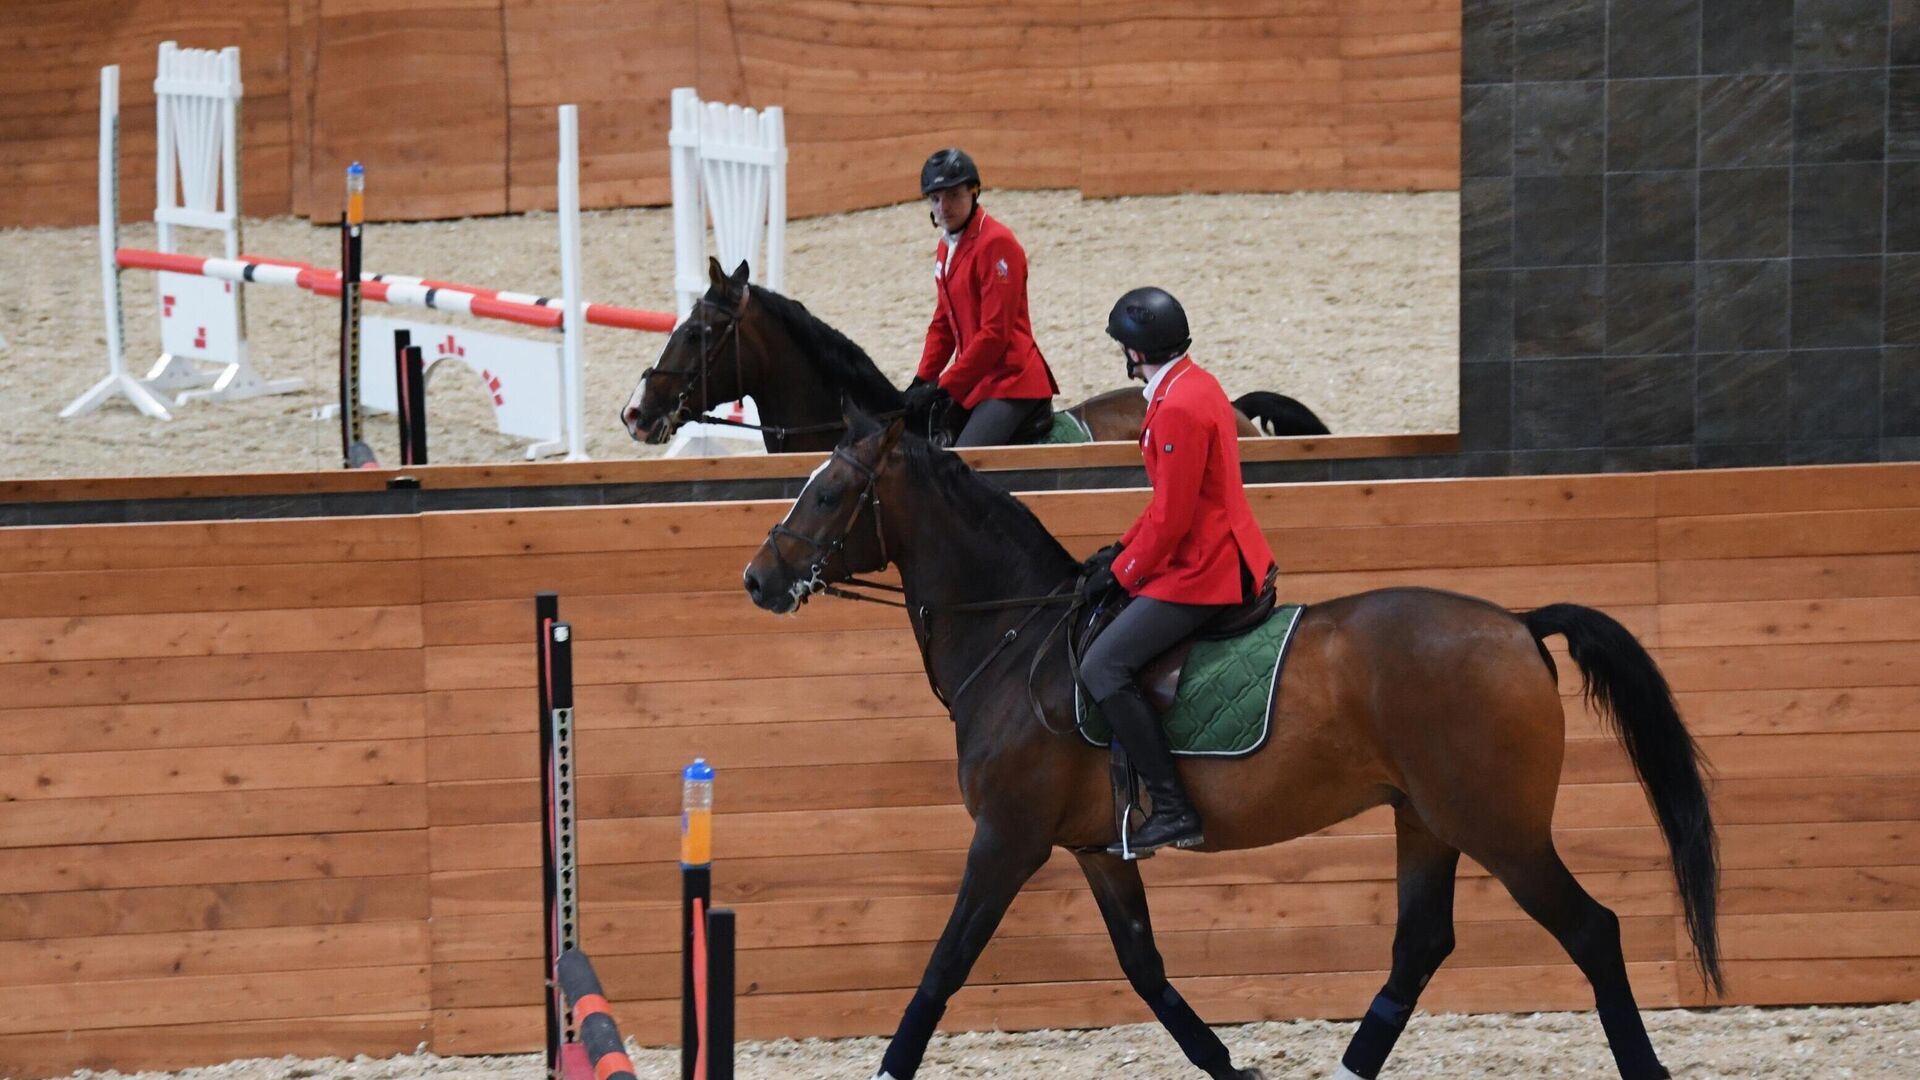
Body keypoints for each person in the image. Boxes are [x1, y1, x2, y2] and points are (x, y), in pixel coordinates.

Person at [1079, 286, 1278, 856]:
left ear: (1136, 352)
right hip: (1212, 547)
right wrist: (1119, 553)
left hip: (1210, 567)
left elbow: (1173, 518)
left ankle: (1173, 808)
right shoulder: (1195, 383)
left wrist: (1123, 574)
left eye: (1124, 346)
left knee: (1104, 664)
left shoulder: (1179, 407)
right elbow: (1167, 503)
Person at [901, 148, 1057, 446]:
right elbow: (943, 324)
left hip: (1010, 381)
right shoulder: (947, 246)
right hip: (976, 378)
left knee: (962, 462)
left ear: (974, 192)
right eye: (935, 199)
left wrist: (944, 385)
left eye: (953, 196)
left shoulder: (996, 243)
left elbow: (995, 334)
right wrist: (922, 380)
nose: (943, 207)